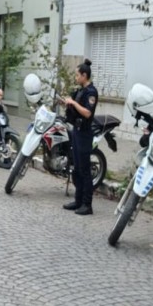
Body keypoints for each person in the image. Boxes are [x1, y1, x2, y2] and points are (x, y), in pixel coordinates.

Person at [61, 59, 98, 216]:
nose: (76, 78)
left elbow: (88, 113)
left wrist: (74, 104)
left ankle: (87, 204)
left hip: (84, 133)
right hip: (76, 131)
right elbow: (75, 108)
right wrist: (67, 103)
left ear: (84, 75)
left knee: (84, 170)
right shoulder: (80, 90)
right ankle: (78, 200)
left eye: (77, 75)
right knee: (76, 168)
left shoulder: (91, 92)